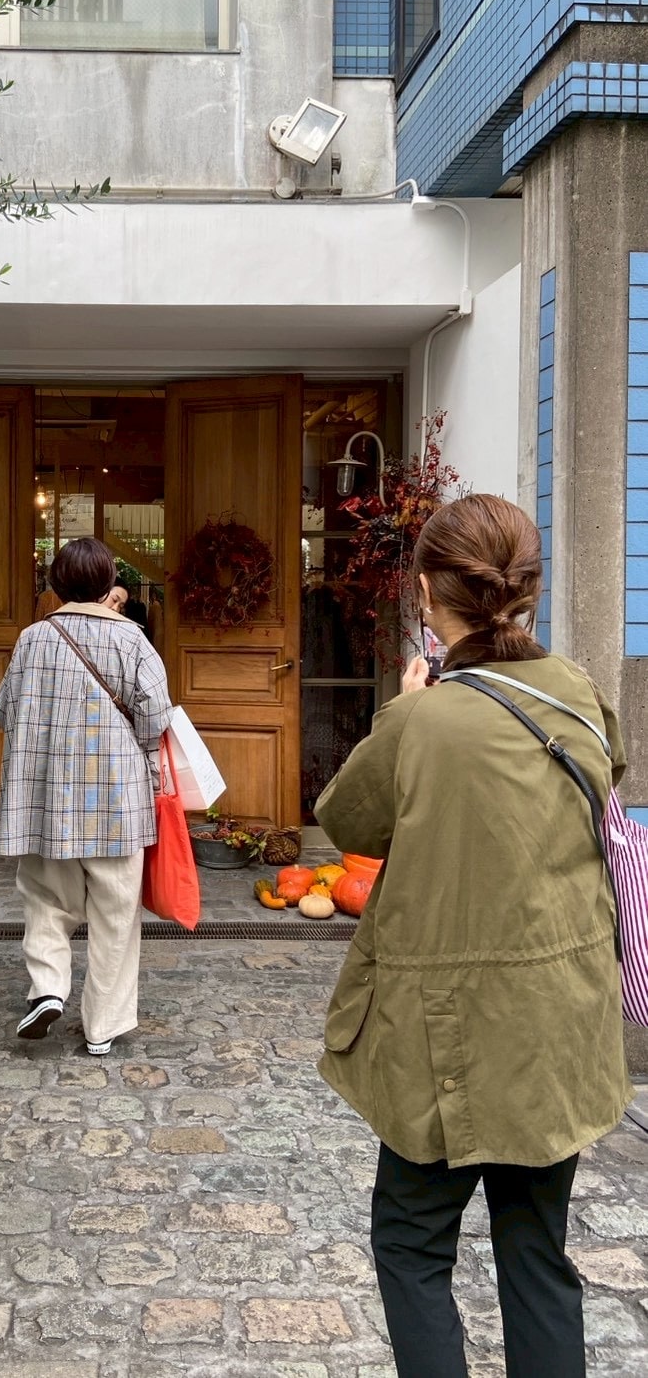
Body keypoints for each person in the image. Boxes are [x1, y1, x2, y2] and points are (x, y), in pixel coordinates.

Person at [314, 493, 631, 1378]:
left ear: (425, 592)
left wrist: (408, 705)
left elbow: (346, 819)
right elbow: (609, 773)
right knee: (537, 1253)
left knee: (412, 1243)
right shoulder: (577, 694)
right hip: (557, 1022)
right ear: (528, 588)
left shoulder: (422, 721)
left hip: (438, 1034)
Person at [0, 536, 174, 1055]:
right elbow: (155, 716)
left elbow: (4, 710)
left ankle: (48, 989)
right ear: (107, 583)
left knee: (47, 899)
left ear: (56, 584)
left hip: (46, 798)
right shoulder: (133, 639)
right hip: (117, 797)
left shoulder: (33, 639)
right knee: (116, 914)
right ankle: (102, 1027)